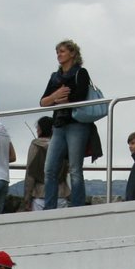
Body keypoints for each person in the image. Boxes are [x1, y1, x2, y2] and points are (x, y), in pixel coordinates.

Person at [40, 39, 100, 209]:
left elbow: (80, 97)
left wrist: (59, 100)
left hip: (77, 124)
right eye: (57, 52)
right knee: (50, 169)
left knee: (75, 168)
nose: (59, 55)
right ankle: (49, 207)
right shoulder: (55, 76)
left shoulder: (80, 73)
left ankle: (77, 206)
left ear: (73, 53)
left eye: (63, 51)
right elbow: (43, 101)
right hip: (58, 125)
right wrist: (56, 96)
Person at [22, 117, 59, 212]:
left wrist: (27, 197)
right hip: (61, 194)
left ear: (40, 129)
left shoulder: (36, 145)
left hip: (40, 194)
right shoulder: (61, 144)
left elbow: (31, 173)